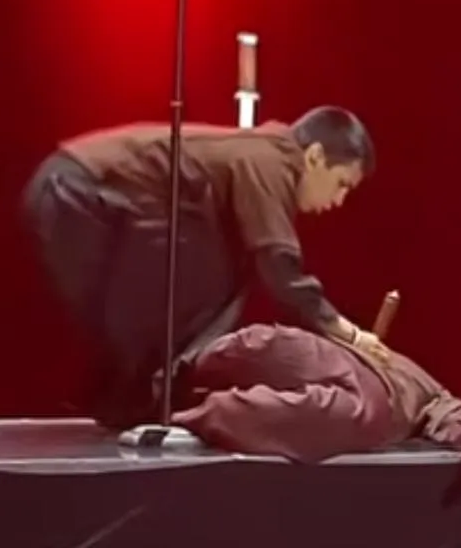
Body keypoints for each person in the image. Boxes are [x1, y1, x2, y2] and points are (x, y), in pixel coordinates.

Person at [22, 106, 387, 428]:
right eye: (341, 184)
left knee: (216, 276)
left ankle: (137, 400)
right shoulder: (269, 160)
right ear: (315, 157)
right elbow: (280, 269)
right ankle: (138, 400)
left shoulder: (262, 153)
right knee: (192, 291)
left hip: (83, 192)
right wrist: (349, 333)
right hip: (74, 190)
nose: (339, 200)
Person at [171, 322, 461, 498]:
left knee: (257, 358)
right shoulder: (420, 385)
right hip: (361, 383)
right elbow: (457, 413)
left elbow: (457, 414)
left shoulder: (420, 389)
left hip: (367, 392)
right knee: (260, 356)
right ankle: (183, 394)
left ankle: (182, 394)